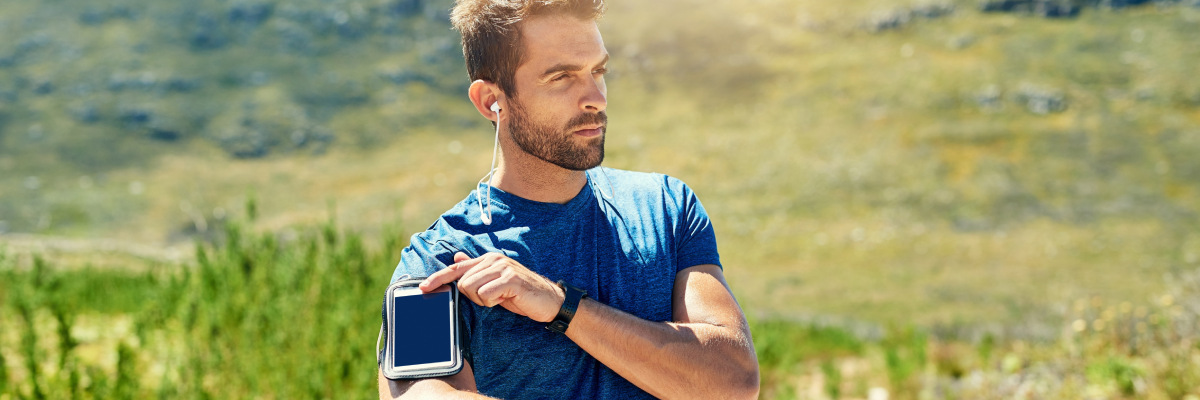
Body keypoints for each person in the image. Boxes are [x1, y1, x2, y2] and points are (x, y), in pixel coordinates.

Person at [378, 0, 760, 398]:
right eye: (561, 77)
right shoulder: (440, 260)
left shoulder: (666, 208)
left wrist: (563, 307)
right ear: (491, 100)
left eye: (598, 71)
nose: (596, 97)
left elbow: (734, 382)